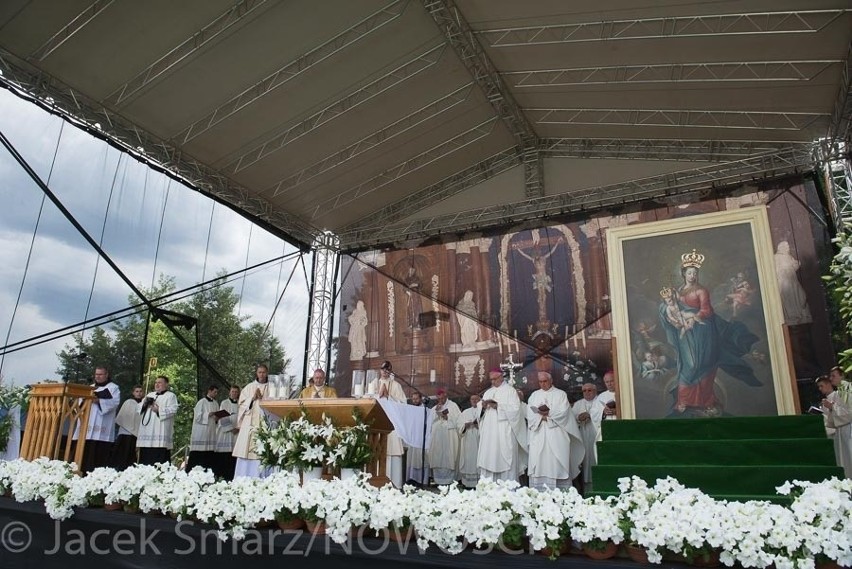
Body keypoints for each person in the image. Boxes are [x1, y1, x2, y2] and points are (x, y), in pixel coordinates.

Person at [658, 249, 761, 415]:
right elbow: (672, 307)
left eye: (694, 273)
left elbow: (707, 310)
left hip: (703, 332)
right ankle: (683, 400)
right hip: (686, 335)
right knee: (688, 366)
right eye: (689, 272)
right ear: (684, 274)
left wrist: (693, 317)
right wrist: (667, 307)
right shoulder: (679, 290)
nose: (692, 275)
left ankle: (706, 401)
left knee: (703, 365)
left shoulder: (701, 290)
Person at [526, 371, 585, 490]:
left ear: (551, 381)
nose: (543, 384)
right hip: (539, 433)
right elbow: (530, 414)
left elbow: (564, 413)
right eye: (540, 382)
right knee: (539, 461)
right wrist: (542, 417)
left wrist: (548, 415)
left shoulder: (560, 394)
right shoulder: (534, 395)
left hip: (557, 434)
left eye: (545, 381)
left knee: (557, 461)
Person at [477, 368, 523, 482]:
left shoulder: (510, 391)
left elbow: (516, 410)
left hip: (504, 430)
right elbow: (479, 413)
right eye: (491, 380)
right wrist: (482, 406)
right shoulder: (488, 392)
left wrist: (498, 406)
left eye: (495, 379)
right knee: (489, 456)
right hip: (489, 431)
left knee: (506, 457)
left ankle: (508, 490)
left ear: (501, 377)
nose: (493, 382)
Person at [73, 366, 121, 473]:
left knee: (98, 458)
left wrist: (99, 401)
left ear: (106, 375)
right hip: (86, 427)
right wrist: (85, 400)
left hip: (102, 429)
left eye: (100, 374)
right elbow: (78, 405)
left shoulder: (113, 388)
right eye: (96, 374)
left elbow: (114, 403)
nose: (98, 377)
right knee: (84, 456)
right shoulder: (89, 388)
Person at [367, 361, 406, 486]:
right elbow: (368, 400)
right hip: (377, 423)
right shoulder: (373, 384)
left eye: (387, 369)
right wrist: (379, 396)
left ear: (390, 370)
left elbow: (403, 404)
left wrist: (389, 397)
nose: (384, 371)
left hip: (392, 423)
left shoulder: (396, 385)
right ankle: (376, 483)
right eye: (383, 369)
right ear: (379, 370)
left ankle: (395, 484)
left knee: (393, 452)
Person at [232, 364, 272, 478]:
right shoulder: (249, 387)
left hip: (264, 422)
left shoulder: (272, 387)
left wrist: (262, 399)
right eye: (259, 372)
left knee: (263, 452)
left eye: (264, 372)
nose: (262, 374)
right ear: (256, 373)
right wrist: (252, 398)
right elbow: (241, 405)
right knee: (246, 451)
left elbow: (275, 403)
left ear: (267, 373)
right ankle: (244, 477)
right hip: (249, 423)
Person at [137, 375, 179, 465]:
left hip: (160, 430)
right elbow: (138, 408)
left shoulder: (171, 396)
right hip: (147, 430)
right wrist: (145, 404)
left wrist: (158, 410)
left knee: (159, 456)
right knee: (145, 456)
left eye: (160, 382)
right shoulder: (149, 395)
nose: (157, 384)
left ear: (166, 384)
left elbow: (173, 409)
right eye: (156, 382)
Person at [573, 383, 604, 491]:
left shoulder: (600, 401)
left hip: (596, 434)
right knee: (584, 461)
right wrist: (578, 418)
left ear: (595, 391)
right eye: (584, 391)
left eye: (589, 390)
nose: (586, 392)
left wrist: (590, 415)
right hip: (583, 436)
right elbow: (571, 420)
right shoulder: (578, 404)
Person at [819, 375, 851, 477]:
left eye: (834, 375)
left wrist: (832, 407)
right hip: (839, 431)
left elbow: (848, 412)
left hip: (847, 429)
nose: (832, 378)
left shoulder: (844, 392)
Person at [774, 241, 813, 326]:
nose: (788, 248)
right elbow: (776, 270)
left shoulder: (788, 256)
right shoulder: (776, 257)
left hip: (792, 280)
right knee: (789, 298)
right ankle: (793, 316)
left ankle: (801, 315)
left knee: (800, 296)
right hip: (784, 282)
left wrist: (796, 264)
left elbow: (793, 266)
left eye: (788, 246)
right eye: (786, 246)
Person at [428, 388, 460, 485]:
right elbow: (430, 423)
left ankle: (450, 481)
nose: (440, 400)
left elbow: (459, 420)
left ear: (446, 396)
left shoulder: (453, 406)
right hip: (437, 437)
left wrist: (448, 417)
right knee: (438, 456)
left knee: (449, 457)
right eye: (439, 398)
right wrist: (436, 413)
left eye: (442, 398)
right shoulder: (434, 408)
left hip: (449, 435)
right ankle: (437, 481)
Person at [110, 384, 143, 471]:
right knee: (122, 455)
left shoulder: (143, 404)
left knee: (131, 457)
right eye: (137, 391)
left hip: (135, 435)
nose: (139, 393)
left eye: (140, 391)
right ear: (133, 393)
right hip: (125, 433)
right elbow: (125, 416)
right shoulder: (129, 402)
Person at [186, 385, 220, 472]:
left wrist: (217, 418)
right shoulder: (201, 402)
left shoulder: (216, 403)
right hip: (201, 431)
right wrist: (208, 414)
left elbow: (216, 418)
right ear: (209, 391)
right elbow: (197, 416)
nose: (216, 394)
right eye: (214, 392)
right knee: (199, 453)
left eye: (217, 392)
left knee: (209, 452)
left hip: (211, 430)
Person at [214, 385, 240, 480]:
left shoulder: (241, 404)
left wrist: (238, 428)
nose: (234, 393)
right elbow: (222, 416)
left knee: (233, 455)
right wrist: (231, 428)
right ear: (229, 392)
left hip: (237, 432)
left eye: (236, 392)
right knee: (224, 455)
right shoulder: (224, 403)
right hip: (226, 432)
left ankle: (232, 477)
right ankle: (221, 476)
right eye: (233, 391)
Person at [405, 392, 431, 485]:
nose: (415, 401)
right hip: (412, 439)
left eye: (416, 399)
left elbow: (428, 425)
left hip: (421, 439)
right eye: (413, 399)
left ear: (421, 399)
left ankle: (421, 480)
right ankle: (411, 478)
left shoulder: (426, 410)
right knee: (411, 459)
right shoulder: (411, 409)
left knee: (421, 460)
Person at [457, 394, 481, 488]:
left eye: (476, 399)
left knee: (477, 459)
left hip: (478, 440)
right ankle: (467, 483)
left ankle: (478, 483)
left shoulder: (482, 411)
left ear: (480, 400)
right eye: (472, 399)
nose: (474, 401)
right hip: (467, 440)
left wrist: (478, 426)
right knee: (468, 459)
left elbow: (488, 425)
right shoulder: (465, 412)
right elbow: (459, 424)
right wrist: (464, 426)